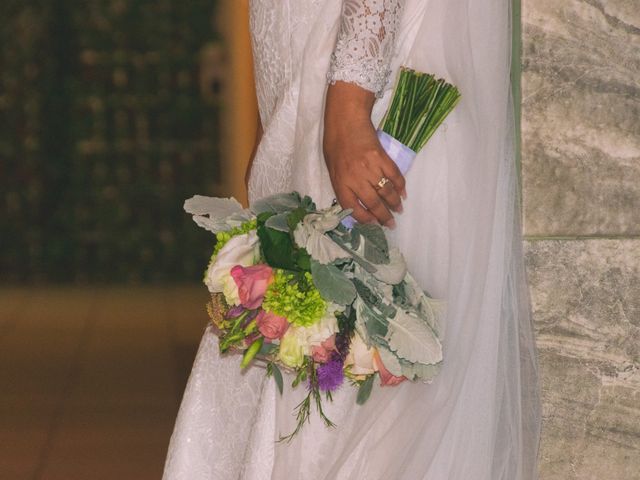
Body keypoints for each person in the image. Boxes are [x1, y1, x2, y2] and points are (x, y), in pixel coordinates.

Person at [163, 1, 541, 479]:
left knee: (351, 384)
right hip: (314, 66)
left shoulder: (348, 103)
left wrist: (348, 108)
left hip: (360, 79)